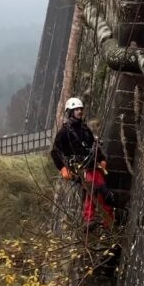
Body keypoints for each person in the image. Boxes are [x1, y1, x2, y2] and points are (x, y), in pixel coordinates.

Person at [51, 97, 114, 229]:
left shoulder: (85, 130)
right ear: (70, 112)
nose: (80, 111)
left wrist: (101, 159)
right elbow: (55, 152)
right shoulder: (64, 133)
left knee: (106, 193)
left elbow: (94, 147)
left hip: (92, 166)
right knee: (93, 189)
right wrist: (63, 168)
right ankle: (89, 219)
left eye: (80, 109)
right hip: (79, 169)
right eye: (76, 110)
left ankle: (108, 222)